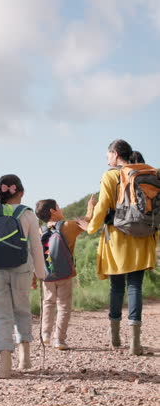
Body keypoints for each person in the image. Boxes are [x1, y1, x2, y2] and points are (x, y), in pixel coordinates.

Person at [77, 139, 157, 355]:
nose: (107, 159)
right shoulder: (147, 173)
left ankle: (115, 338)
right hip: (142, 239)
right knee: (135, 287)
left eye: (107, 155)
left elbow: (102, 207)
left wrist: (90, 228)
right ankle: (135, 343)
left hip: (117, 239)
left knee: (117, 288)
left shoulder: (111, 176)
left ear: (115, 154)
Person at [0, 174, 45, 379]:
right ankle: (25, 357)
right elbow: (36, 246)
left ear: (0, 193)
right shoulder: (28, 215)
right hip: (22, 268)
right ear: (21, 192)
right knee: (22, 309)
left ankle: (4, 361)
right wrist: (41, 273)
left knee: (2, 314)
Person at [35, 196, 96, 350]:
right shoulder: (68, 226)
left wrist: (34, 276)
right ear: (52, 211)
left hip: (47, 276)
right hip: (65, 274)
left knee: (48, 303)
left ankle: (46, 334)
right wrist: (91, 206)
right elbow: (87, 221)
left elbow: (34, 254)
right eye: (58, 207)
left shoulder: (39, 231)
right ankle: (59, 340)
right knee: (63, 306)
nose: (61, 209)